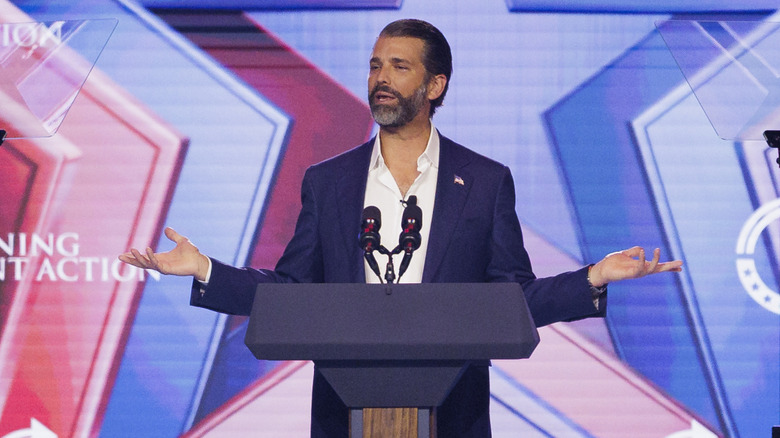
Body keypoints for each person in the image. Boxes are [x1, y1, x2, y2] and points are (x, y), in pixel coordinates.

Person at [120, 18, 682, 438]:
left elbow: (511, 300)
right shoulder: (328, 182)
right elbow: (292, 293)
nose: (380, 78)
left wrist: (592, 277)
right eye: (374, 66)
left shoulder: (484, 182)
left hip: (454, 412)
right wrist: (205, 269)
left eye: (398, 66)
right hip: (344, 411)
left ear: (434, 86)